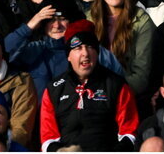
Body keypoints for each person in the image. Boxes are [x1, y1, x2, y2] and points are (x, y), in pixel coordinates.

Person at [39, 20, 140, 151]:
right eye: (78, 48)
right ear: (68, 56)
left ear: (97, 53)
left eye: (90, 47)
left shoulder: (117, 85)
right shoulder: (54, 89)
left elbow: (130, 133)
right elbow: (48, 138)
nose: (85, 53)